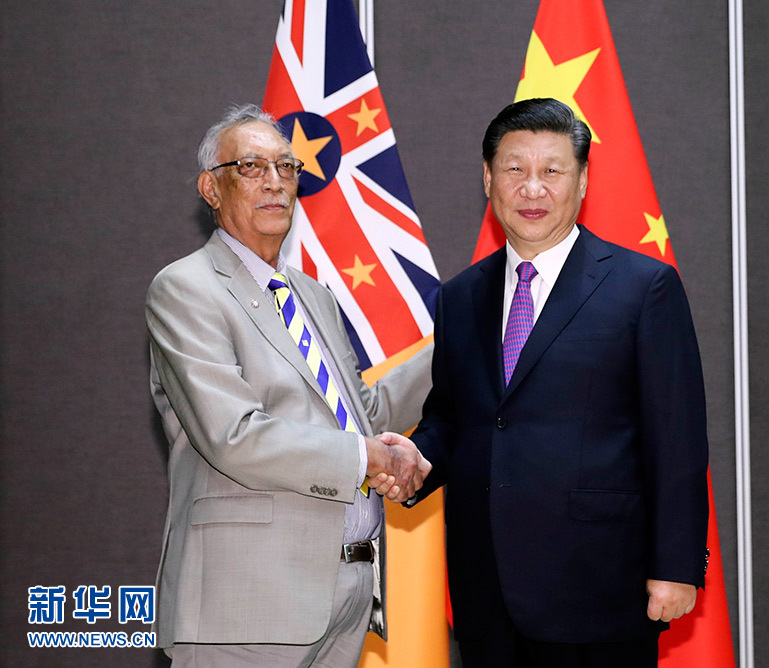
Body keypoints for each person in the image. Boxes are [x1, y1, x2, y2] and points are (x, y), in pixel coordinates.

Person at [399, 98, 709, 667]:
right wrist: (415, 458)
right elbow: (454, 416)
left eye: (552, 170)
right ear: (488, 178)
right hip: (487, 590)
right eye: (515, 168)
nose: (532, 188)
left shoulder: (643, 287)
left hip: (598, 589)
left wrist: (676, 566)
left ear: (583, 180)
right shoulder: (460, 296)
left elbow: (677, 439)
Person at [145, 104, 431, 668]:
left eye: (286, 166)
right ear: (211, 188)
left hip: (346, 600)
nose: (275, 181)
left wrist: (461, 340)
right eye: (251, 166)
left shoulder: (312, 296)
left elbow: (364, 416)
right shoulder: (186, 288)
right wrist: (366, 456)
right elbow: (234, 435)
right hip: (246, 602)